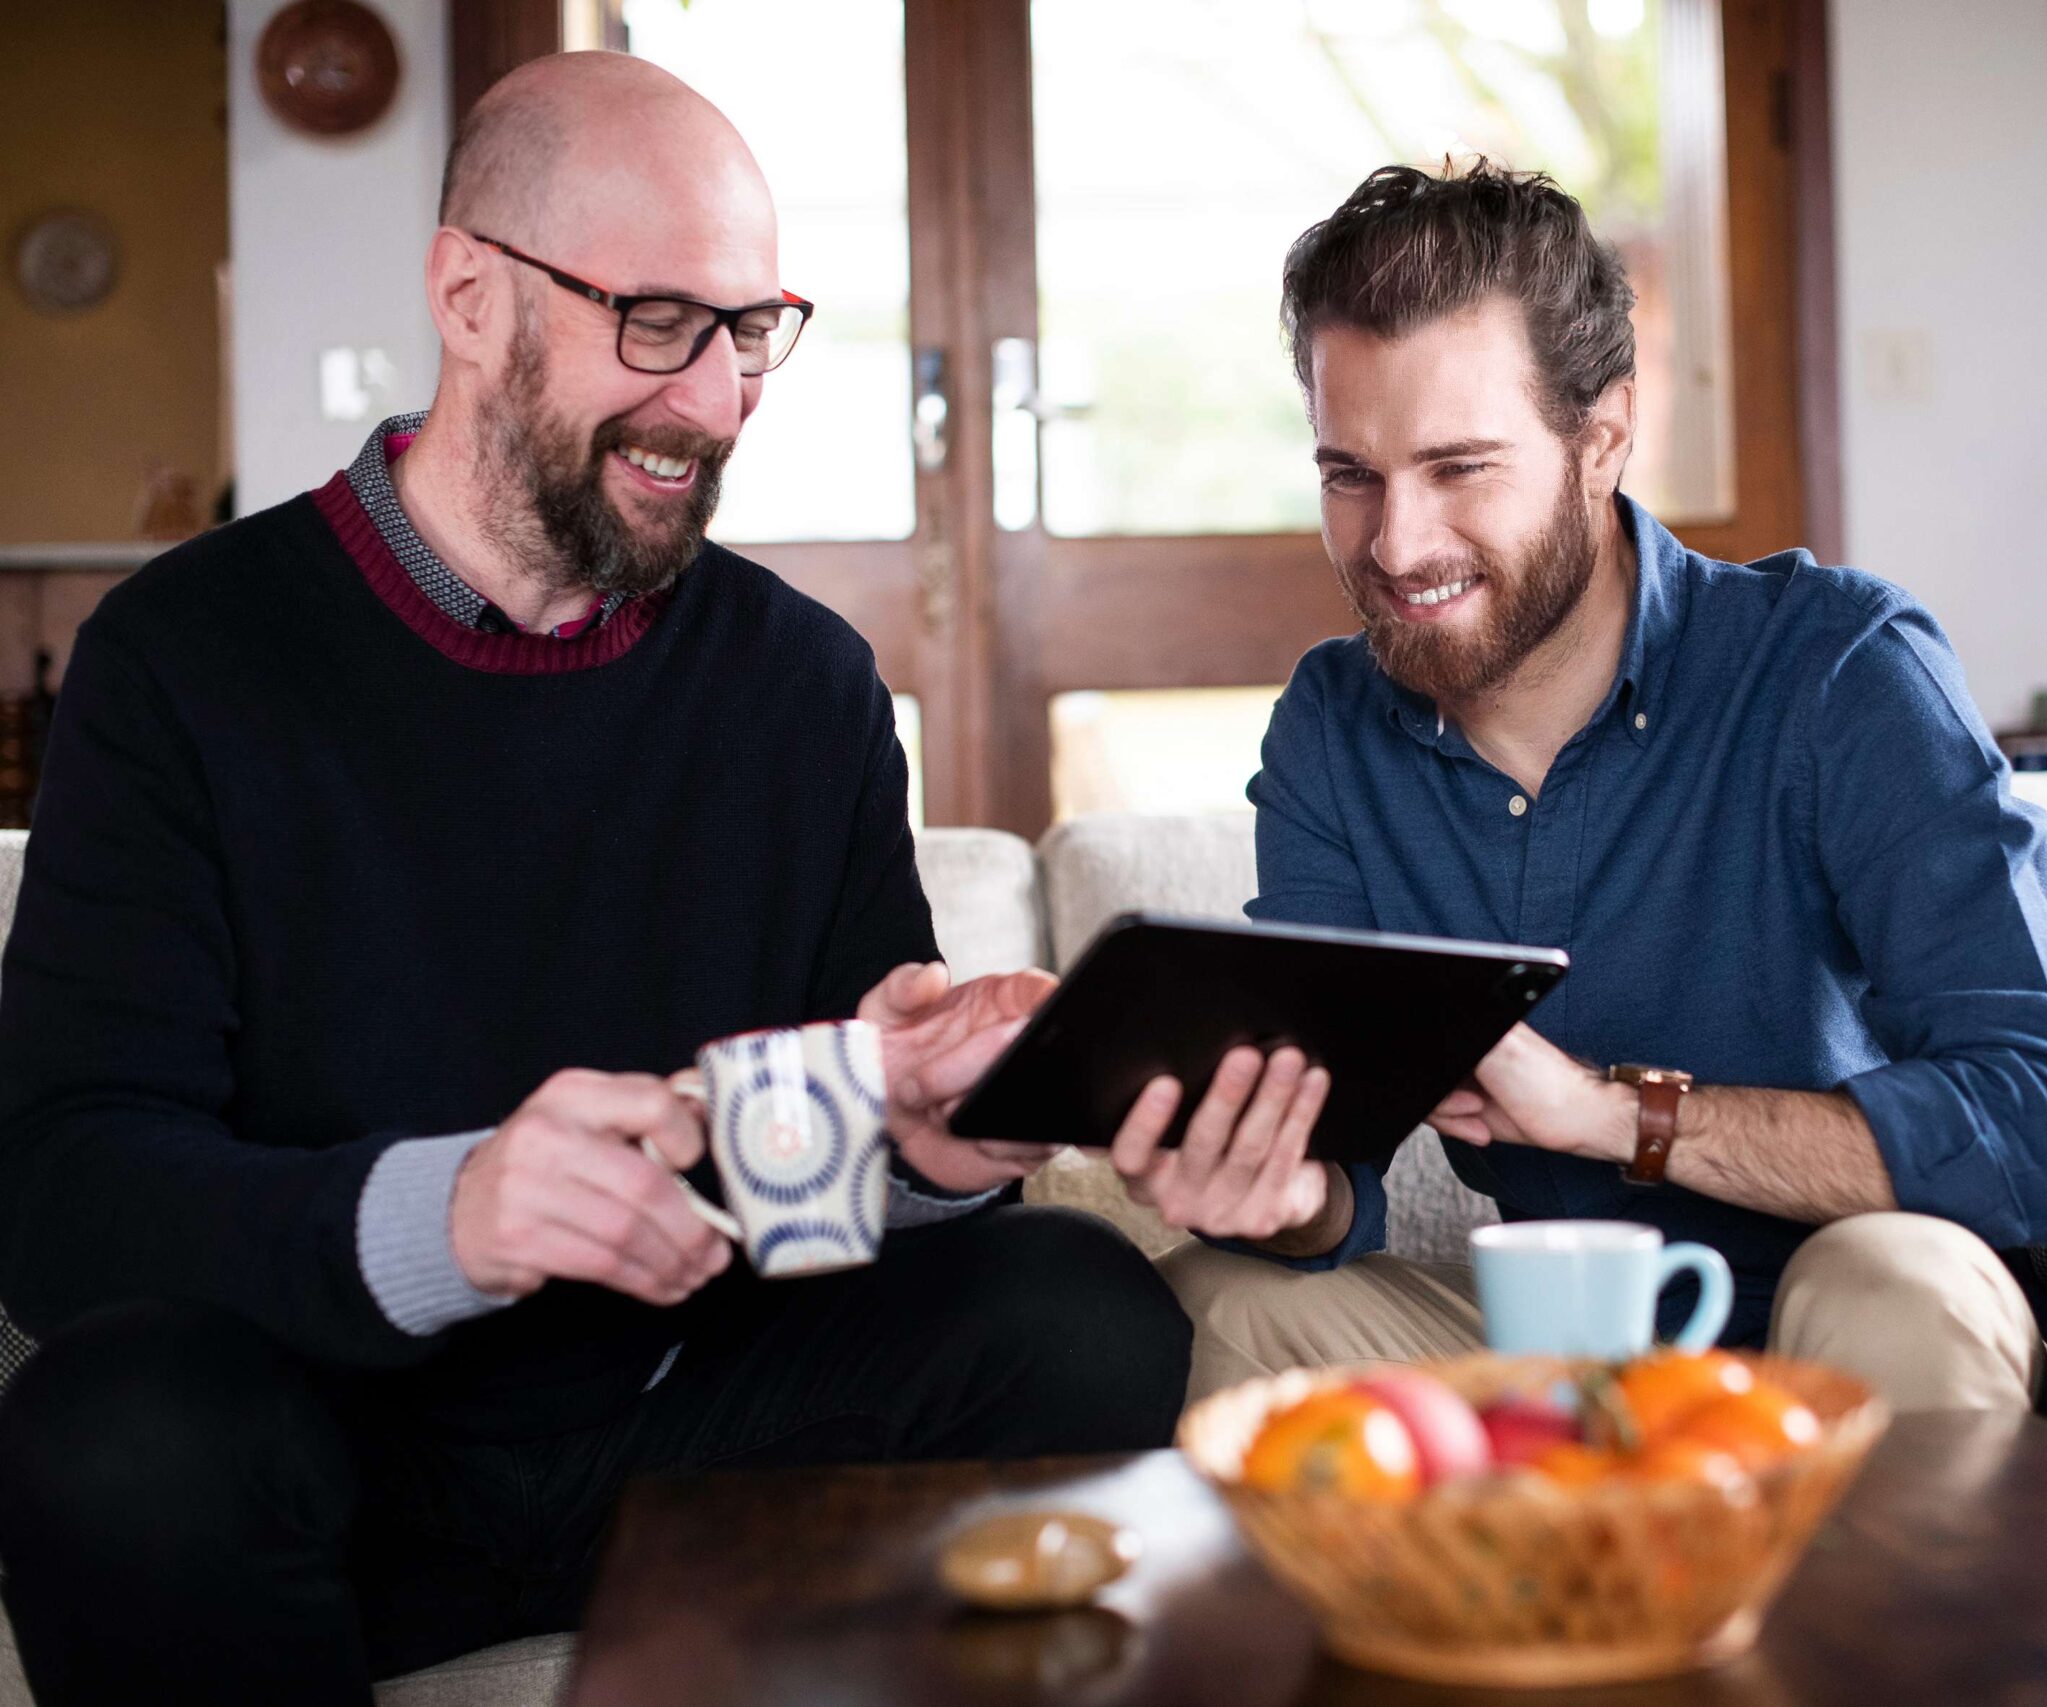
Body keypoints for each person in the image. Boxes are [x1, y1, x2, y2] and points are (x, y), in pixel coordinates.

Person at [0, 53, 1187, 1707]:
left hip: (696, 1432)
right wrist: (453, 1214)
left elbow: (823, 1161)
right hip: (336, 1449)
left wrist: (925, 1147)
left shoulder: (804, 688)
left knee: (1077, 1305)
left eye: (750, 328)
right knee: (111, 1428)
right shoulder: (186, 662)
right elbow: (65, 1194)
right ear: (470, 295)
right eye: (656, 322)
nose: (713, 400)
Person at [1115, 161, 2047, 1414]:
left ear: (1599, 439)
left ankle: (1865, 1614)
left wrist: (1611, 1117)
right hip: (1555, 1346)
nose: (1396, 545)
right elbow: (1342, 1168)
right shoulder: (1333, 726)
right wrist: (1279, 1192)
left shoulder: (1837, 668)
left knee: (1892, 1287)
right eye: (1350, 476)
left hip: (1839, 1311)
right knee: (1220, 1306)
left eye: (1459, 468)